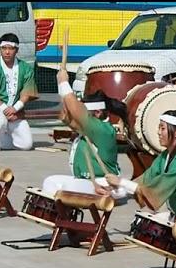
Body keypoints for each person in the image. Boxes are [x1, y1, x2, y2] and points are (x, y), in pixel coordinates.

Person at [105, 110, 176, 221]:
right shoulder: (165, 156)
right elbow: (146, 179)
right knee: (141, 221)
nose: (158, 132)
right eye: (159, 128)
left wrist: (121, 182)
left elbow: (159, 187)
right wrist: (116, 191)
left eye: (163, 128)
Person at [44, 70, 127, 199]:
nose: (82, 116)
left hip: (103, 183)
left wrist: (64, 82)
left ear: (98, 112)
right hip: (87, 182)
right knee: (50, 182)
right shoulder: (92, 128)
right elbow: (67, 115)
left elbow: (75, 111)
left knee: (59, 186)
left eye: (86, 112)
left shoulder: (103, 129)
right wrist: (61, 86)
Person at [0, 33, 38, 151]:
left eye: (10, 48)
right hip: (0, 109)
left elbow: (28, 91)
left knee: (26, 145)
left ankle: (4, 141)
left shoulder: (25, 68)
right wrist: (5, 109)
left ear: (16, 50)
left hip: (16, 113)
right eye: (3, 48)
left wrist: (15, 109)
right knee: (0, 121)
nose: (7, 52)